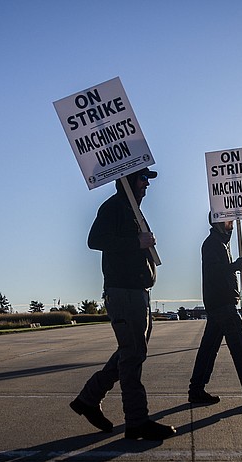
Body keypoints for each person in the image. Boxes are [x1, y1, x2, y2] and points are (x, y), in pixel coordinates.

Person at [70, 168, 176, 441]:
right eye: (143, 178)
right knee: (132, 355)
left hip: (137, 292)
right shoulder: (114, 207)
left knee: (130, 352)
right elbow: (95, 241)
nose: (147, 184)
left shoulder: (132, 210)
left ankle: (88, 399)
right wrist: (136, 242)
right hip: (123, 292)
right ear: (128, 180)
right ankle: (137, 421)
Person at [187, 214, 242, 405]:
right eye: (228, 221)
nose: (232, 224)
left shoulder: (220, 243)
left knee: (209, 349)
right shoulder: (213, 244)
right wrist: (234, 266)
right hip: (222, 303)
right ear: (218, 223)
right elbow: (214, 273)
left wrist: (233, 267)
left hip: (219, 303)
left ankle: (196, 389)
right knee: (239, 346)